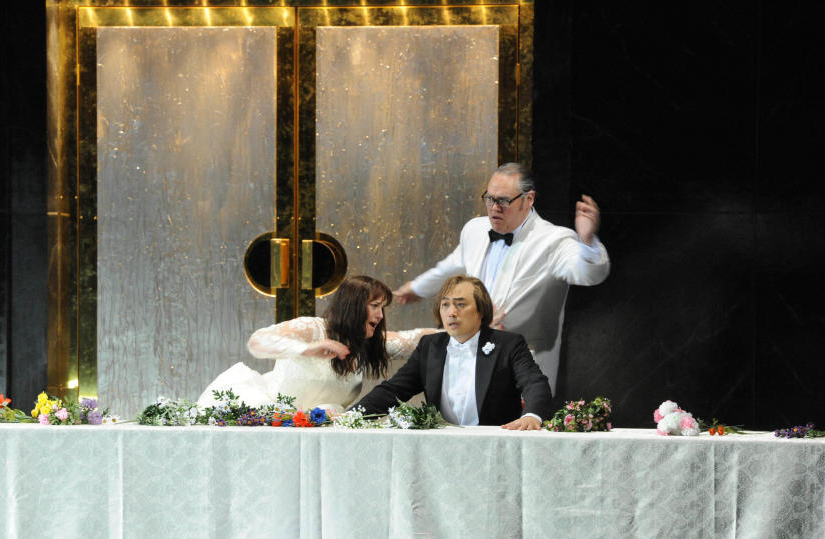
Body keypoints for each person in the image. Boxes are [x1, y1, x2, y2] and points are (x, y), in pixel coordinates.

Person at [392, 163, 610, 393]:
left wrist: (586, 241)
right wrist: (417, 287)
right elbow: (453, 264)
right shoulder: (474, 230)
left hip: (528, 360)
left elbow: (589, 274)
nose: (494, 208)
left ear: (529, 199)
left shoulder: (554, 240)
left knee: (523, 424)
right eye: (490, 198)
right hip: (473, 352)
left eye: (504, 201)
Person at [197, 275, 436, 413]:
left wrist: (466, 324)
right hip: (269, 417)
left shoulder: (370, 344)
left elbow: (416, 338)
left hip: (319, 430)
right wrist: (306, 349)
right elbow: (258, 341)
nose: (380, 316)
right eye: (375, 306)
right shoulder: (314, 328)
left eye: (382, 308)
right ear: (353, 307)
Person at [353, 275, 551, 429]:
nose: (451, 312)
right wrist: (352, 416)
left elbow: (534, 382)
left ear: (481, 310)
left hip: (496, 445)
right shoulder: (430, 346)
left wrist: (532, 416)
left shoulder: (508, 344)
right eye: (445, 304)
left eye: (460, 304)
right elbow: (393, 391)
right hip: (443, 447)